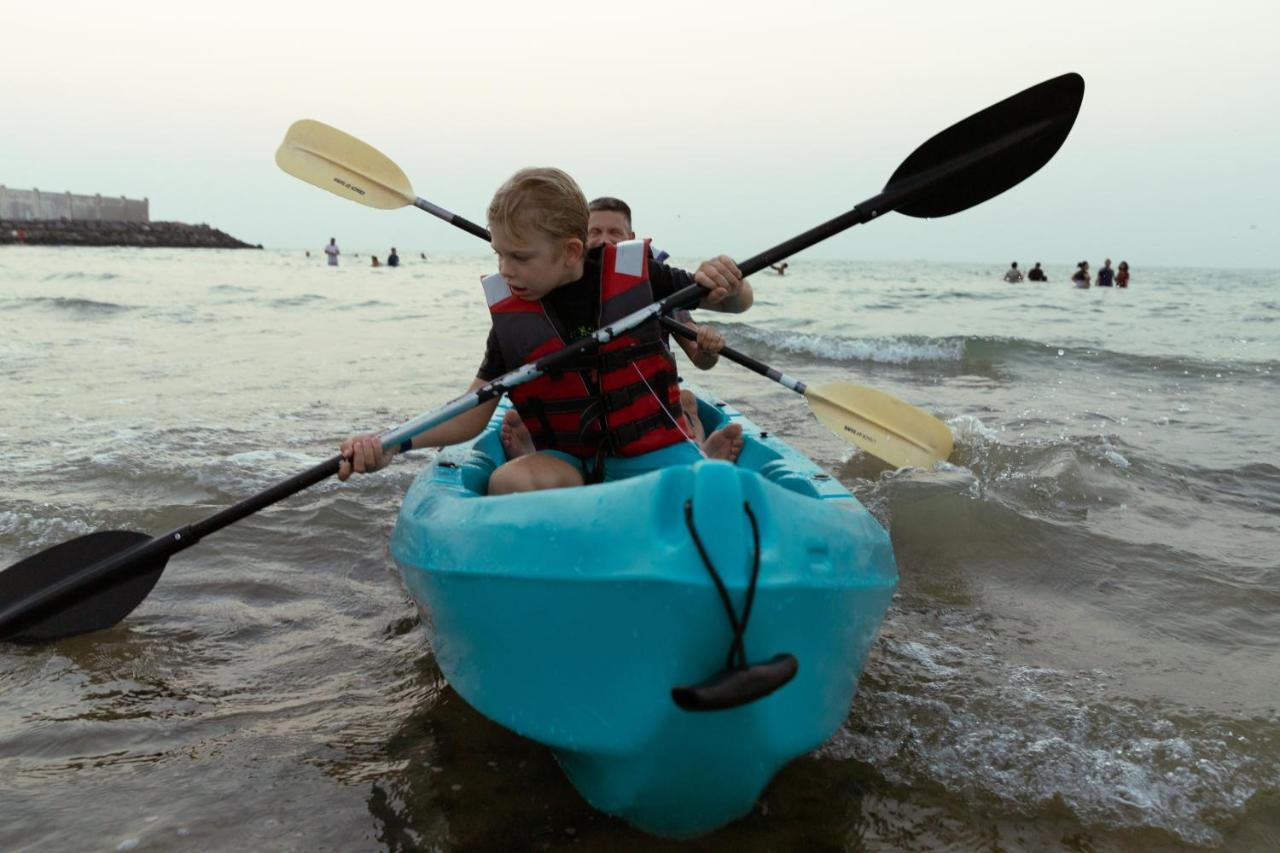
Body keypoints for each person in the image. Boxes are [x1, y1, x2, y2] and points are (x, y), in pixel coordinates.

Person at [338, 167, 752, 495]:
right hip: (570, 462)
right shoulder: (515, 316)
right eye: (499, 253)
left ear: (572, 251)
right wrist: (394, 443)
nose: (504, 269)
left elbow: (737, 302)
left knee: (711, 489)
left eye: (519, 256)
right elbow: (470, 412)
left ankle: (694, 463)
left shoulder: (635, 274)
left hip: (654, 454)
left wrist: (728, 282)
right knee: (507, 482)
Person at [501, 195, 743, 462]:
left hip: (643, 407)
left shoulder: (650, 284)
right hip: (579, 407)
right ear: (578, 241)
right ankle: (537, 450)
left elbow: (701, 355)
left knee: (685, 399)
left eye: (614, 232)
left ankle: (698, 449)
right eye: (595, 232)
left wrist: (709, 348)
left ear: (631, 237)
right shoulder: (554, 289)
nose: (605, 240)